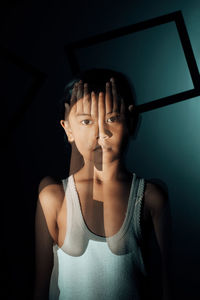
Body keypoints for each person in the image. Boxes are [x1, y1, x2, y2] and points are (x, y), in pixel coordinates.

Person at [34, 68, 172, 300]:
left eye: (112, 118)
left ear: (132, 121)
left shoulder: (150, 197)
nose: (100, 133)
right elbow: (40, 288)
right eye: (87, 121)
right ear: (68, 128)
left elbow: (166, 286)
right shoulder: (53, 197)